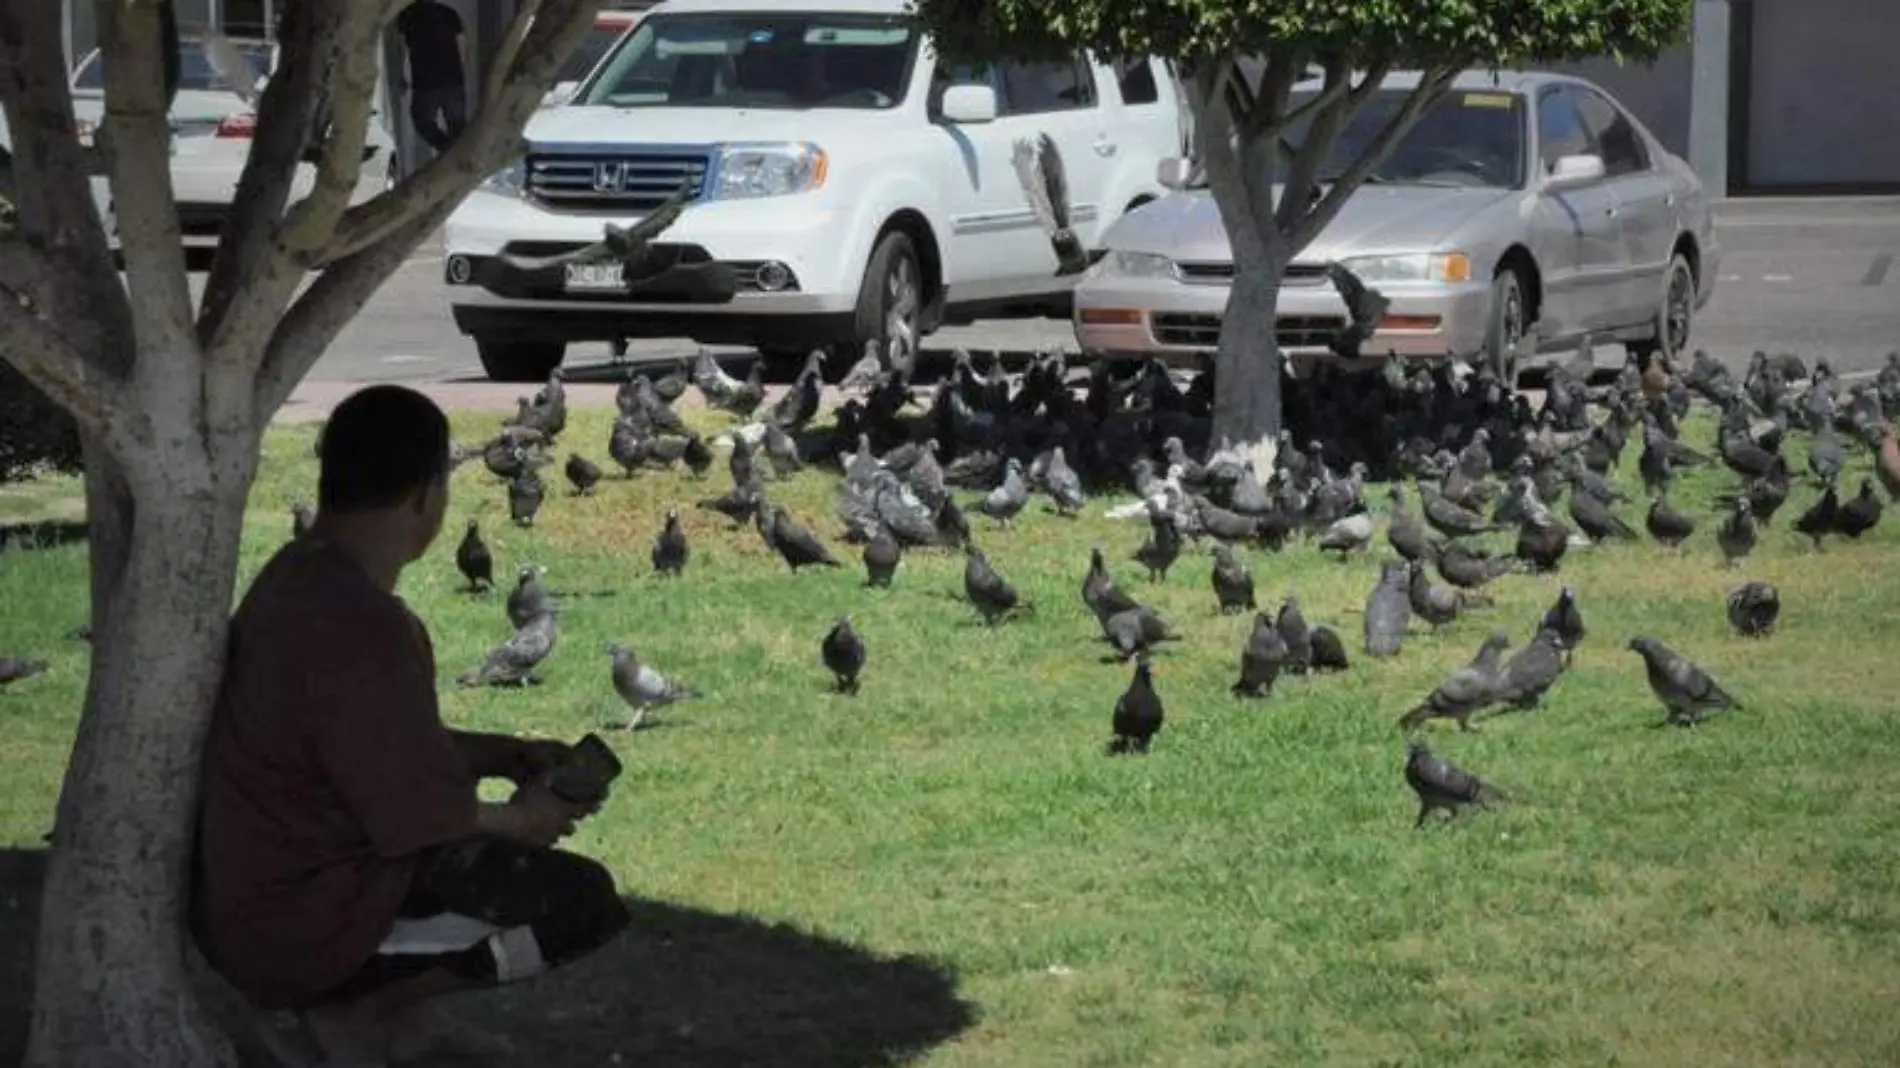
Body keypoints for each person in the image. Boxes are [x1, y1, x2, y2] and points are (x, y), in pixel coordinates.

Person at [193, 384, 630, 1066]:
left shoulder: (294, 578)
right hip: (300, 925)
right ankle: (363, 1010)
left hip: (249, 895)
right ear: (428, 494)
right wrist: (523, 821)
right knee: (578, 903)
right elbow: (414, 813)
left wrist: (502, 754)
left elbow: (361, 748)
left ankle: (378, 1005)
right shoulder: (368, 626)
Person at [396, 0, 469, 153]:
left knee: (423, 122)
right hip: (452, 79)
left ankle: (447, 149)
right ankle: (456, 154)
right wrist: (459, 69)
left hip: (425, 82)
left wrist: (402, 75)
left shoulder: (407, 15)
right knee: (457, 125)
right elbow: (461, 43)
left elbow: (402, 50)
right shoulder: (449, 13)